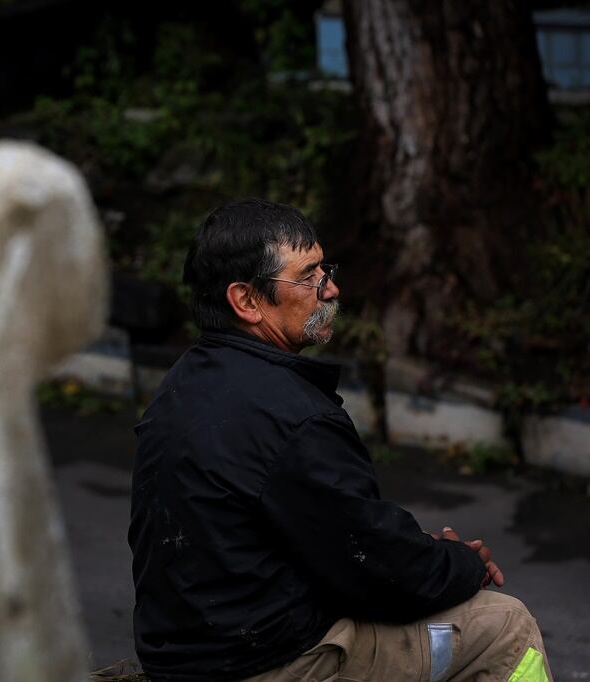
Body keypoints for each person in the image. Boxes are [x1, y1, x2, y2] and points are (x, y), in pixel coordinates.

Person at [128, 199, 552, 682]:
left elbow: (337, 538)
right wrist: (461, 564)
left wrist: (412, 553)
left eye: (325, 268)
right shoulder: (292, 416)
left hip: (185, 657)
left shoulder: (180, 386)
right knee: (503, 624)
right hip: (270, 664)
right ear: (246, 300)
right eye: (308, 277)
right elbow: (378, 572)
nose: (330, 288)